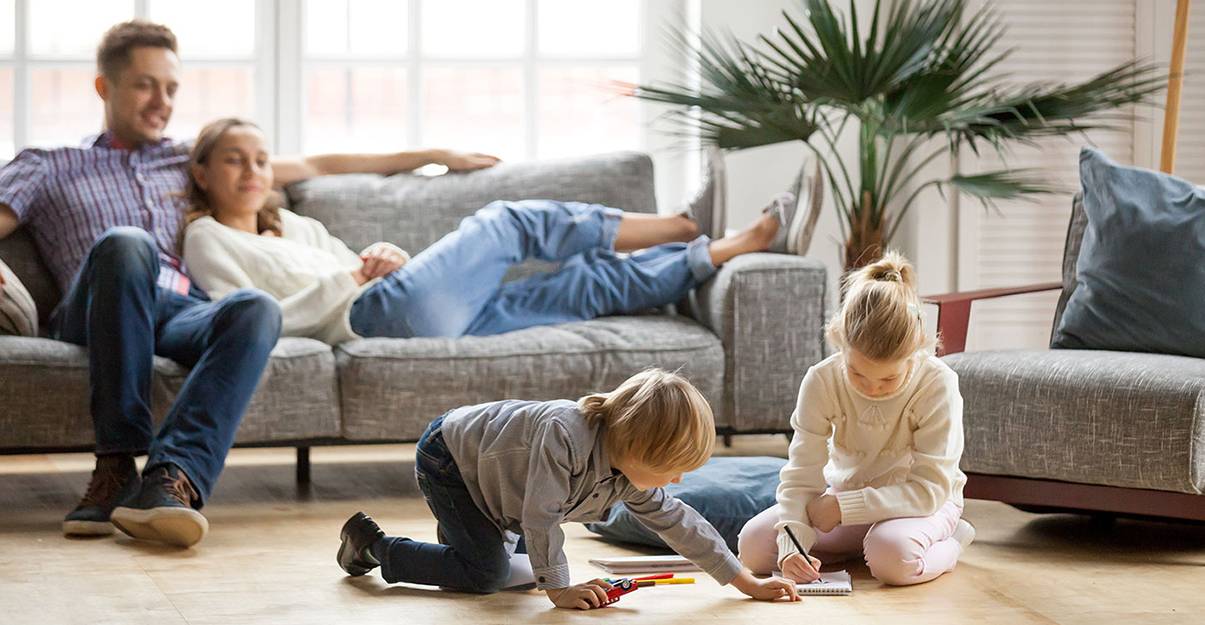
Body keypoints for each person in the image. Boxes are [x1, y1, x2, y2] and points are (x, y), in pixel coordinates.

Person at [0, 20, 498, 547]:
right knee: (128, 243)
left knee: (255, 307)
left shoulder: (186, 159)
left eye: (171, 88)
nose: (162, 102)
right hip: (99, 308)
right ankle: (115, 464)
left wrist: (433, 155)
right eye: (145, 85)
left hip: (176, 309)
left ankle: (172, 480)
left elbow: (316, 163)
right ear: (105, 87)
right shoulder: (49, 165)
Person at [179, 118, 806, 343]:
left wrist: (382, 255)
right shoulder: (207, 238)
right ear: (203, 173)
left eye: (260, 159)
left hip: (403, 305)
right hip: (373, 316)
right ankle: (681, 223)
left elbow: (354, 260)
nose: (252, 171)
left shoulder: (293, 225)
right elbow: (244, 319)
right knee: (508, 222)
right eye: (235, 160)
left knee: (582, 286)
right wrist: (352, 279)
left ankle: (730, 245)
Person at [335, 369, 800, 609]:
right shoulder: (564, 434)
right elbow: (541, 516)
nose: (676, 481)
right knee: (488, 576)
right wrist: (559, 589)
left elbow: (680, 523)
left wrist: (745, 581)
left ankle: (464, 548)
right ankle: (373, 546)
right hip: (452, 459)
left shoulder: (629, 471)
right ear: (635, 448)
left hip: (500, 482)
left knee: (515, 573)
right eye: (670, 469)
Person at [736, 251, 976, 586]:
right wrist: (793, 547)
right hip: (845, 499)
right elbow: (802, 475)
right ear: (839, 342)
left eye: (889, 379)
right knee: (753, 548)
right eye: (857, 373)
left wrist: (842, 508)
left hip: (923, 505)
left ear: (917, 351)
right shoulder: (821, 379)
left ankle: (951, 542)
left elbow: (929, 491)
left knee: (893, 560)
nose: (872, 388)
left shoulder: (938, 384)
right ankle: (862, 547)